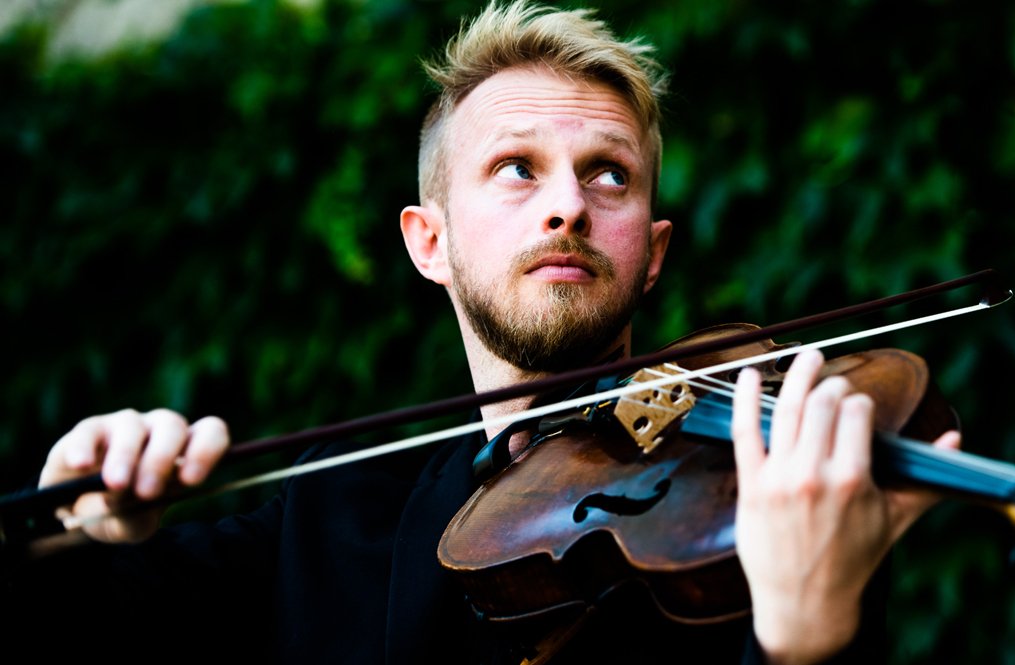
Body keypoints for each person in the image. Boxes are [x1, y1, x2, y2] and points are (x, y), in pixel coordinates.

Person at [4, 2, 961, 663]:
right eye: (515, 168)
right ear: (430, 243)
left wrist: (804, 640)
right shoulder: (332, 514)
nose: (567, 206)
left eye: (609, 174)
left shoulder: (765, 498)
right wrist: (66, 526)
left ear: (652, 250)